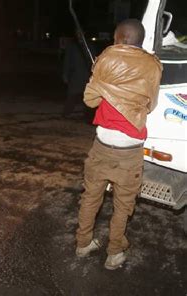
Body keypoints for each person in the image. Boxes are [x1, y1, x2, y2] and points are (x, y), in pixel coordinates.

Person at [74, 19, 162, 270]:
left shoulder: (106, 58)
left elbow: (90, 101)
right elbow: (151, 106)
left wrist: (104, 85)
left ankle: (83, 244)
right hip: (130, 149)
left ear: (119, 37)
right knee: (123, 205)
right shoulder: (154, 65)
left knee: (91, 197)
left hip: (103, 143)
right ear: (139, 40)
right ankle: (114, 254)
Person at [62, 34, 92, 119]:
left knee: (88, 97)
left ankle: (88, 116)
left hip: (87, 75)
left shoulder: (89, 46)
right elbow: (67, 61)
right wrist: (65, 74)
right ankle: (66, 113)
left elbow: (94, 60)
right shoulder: (72, 46)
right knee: (72, 95)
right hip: (76, 75)